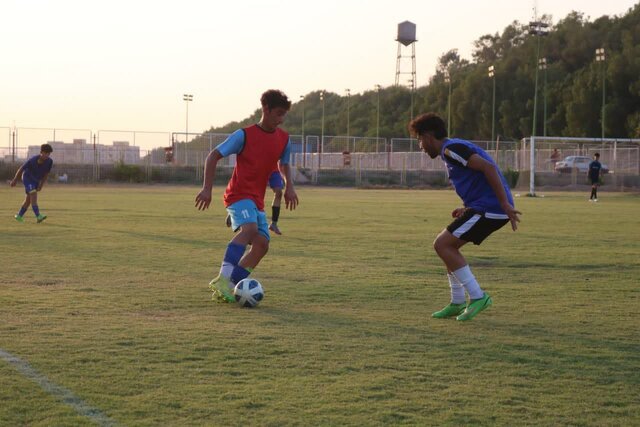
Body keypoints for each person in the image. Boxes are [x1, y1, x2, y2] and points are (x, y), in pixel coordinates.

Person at [409, 113, 521, 321]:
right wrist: (467, 208)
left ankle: (478, 297)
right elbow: (477, 177)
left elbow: (488, 167)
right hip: (483, 206)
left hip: (491, 208)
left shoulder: (451, 149)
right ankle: (457, 301)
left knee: (442, 245)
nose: (420, 146)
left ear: (428, 136)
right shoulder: (451, 150)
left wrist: (505, 204)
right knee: (447, 247)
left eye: (419, 139)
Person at [195, 89, 299, 303]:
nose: (281, 120)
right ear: (266, 109)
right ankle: (222, 279)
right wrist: (207, 189)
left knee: (262, 245)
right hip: (238, 194)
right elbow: (213, 156)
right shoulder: (244, 135)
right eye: (278, 114)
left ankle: (230, 286)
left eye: (284, 115)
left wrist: (290, 187)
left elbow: (284, 164)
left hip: (256, 201)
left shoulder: (284, 139)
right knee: (249, 230)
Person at [225, 168, 285, 235]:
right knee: (252, 193)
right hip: (258, 166)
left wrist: (289, 183)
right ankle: (235, 210)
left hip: (273, 167)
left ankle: (273, 224)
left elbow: (284, 162)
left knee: (279, 192)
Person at [10, 143, 54, 223]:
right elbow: (21, 169)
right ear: (41, 152)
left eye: (48, 154)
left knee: (29, 200)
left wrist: (41, 185)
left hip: (36, 181)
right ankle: (38, 216)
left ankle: (19, 216)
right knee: (33, 194)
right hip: (27, 178)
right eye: (45, 153)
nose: (47, 155)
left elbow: (46, 174)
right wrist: (15, 179)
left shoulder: (49, 162)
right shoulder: (32, 160)